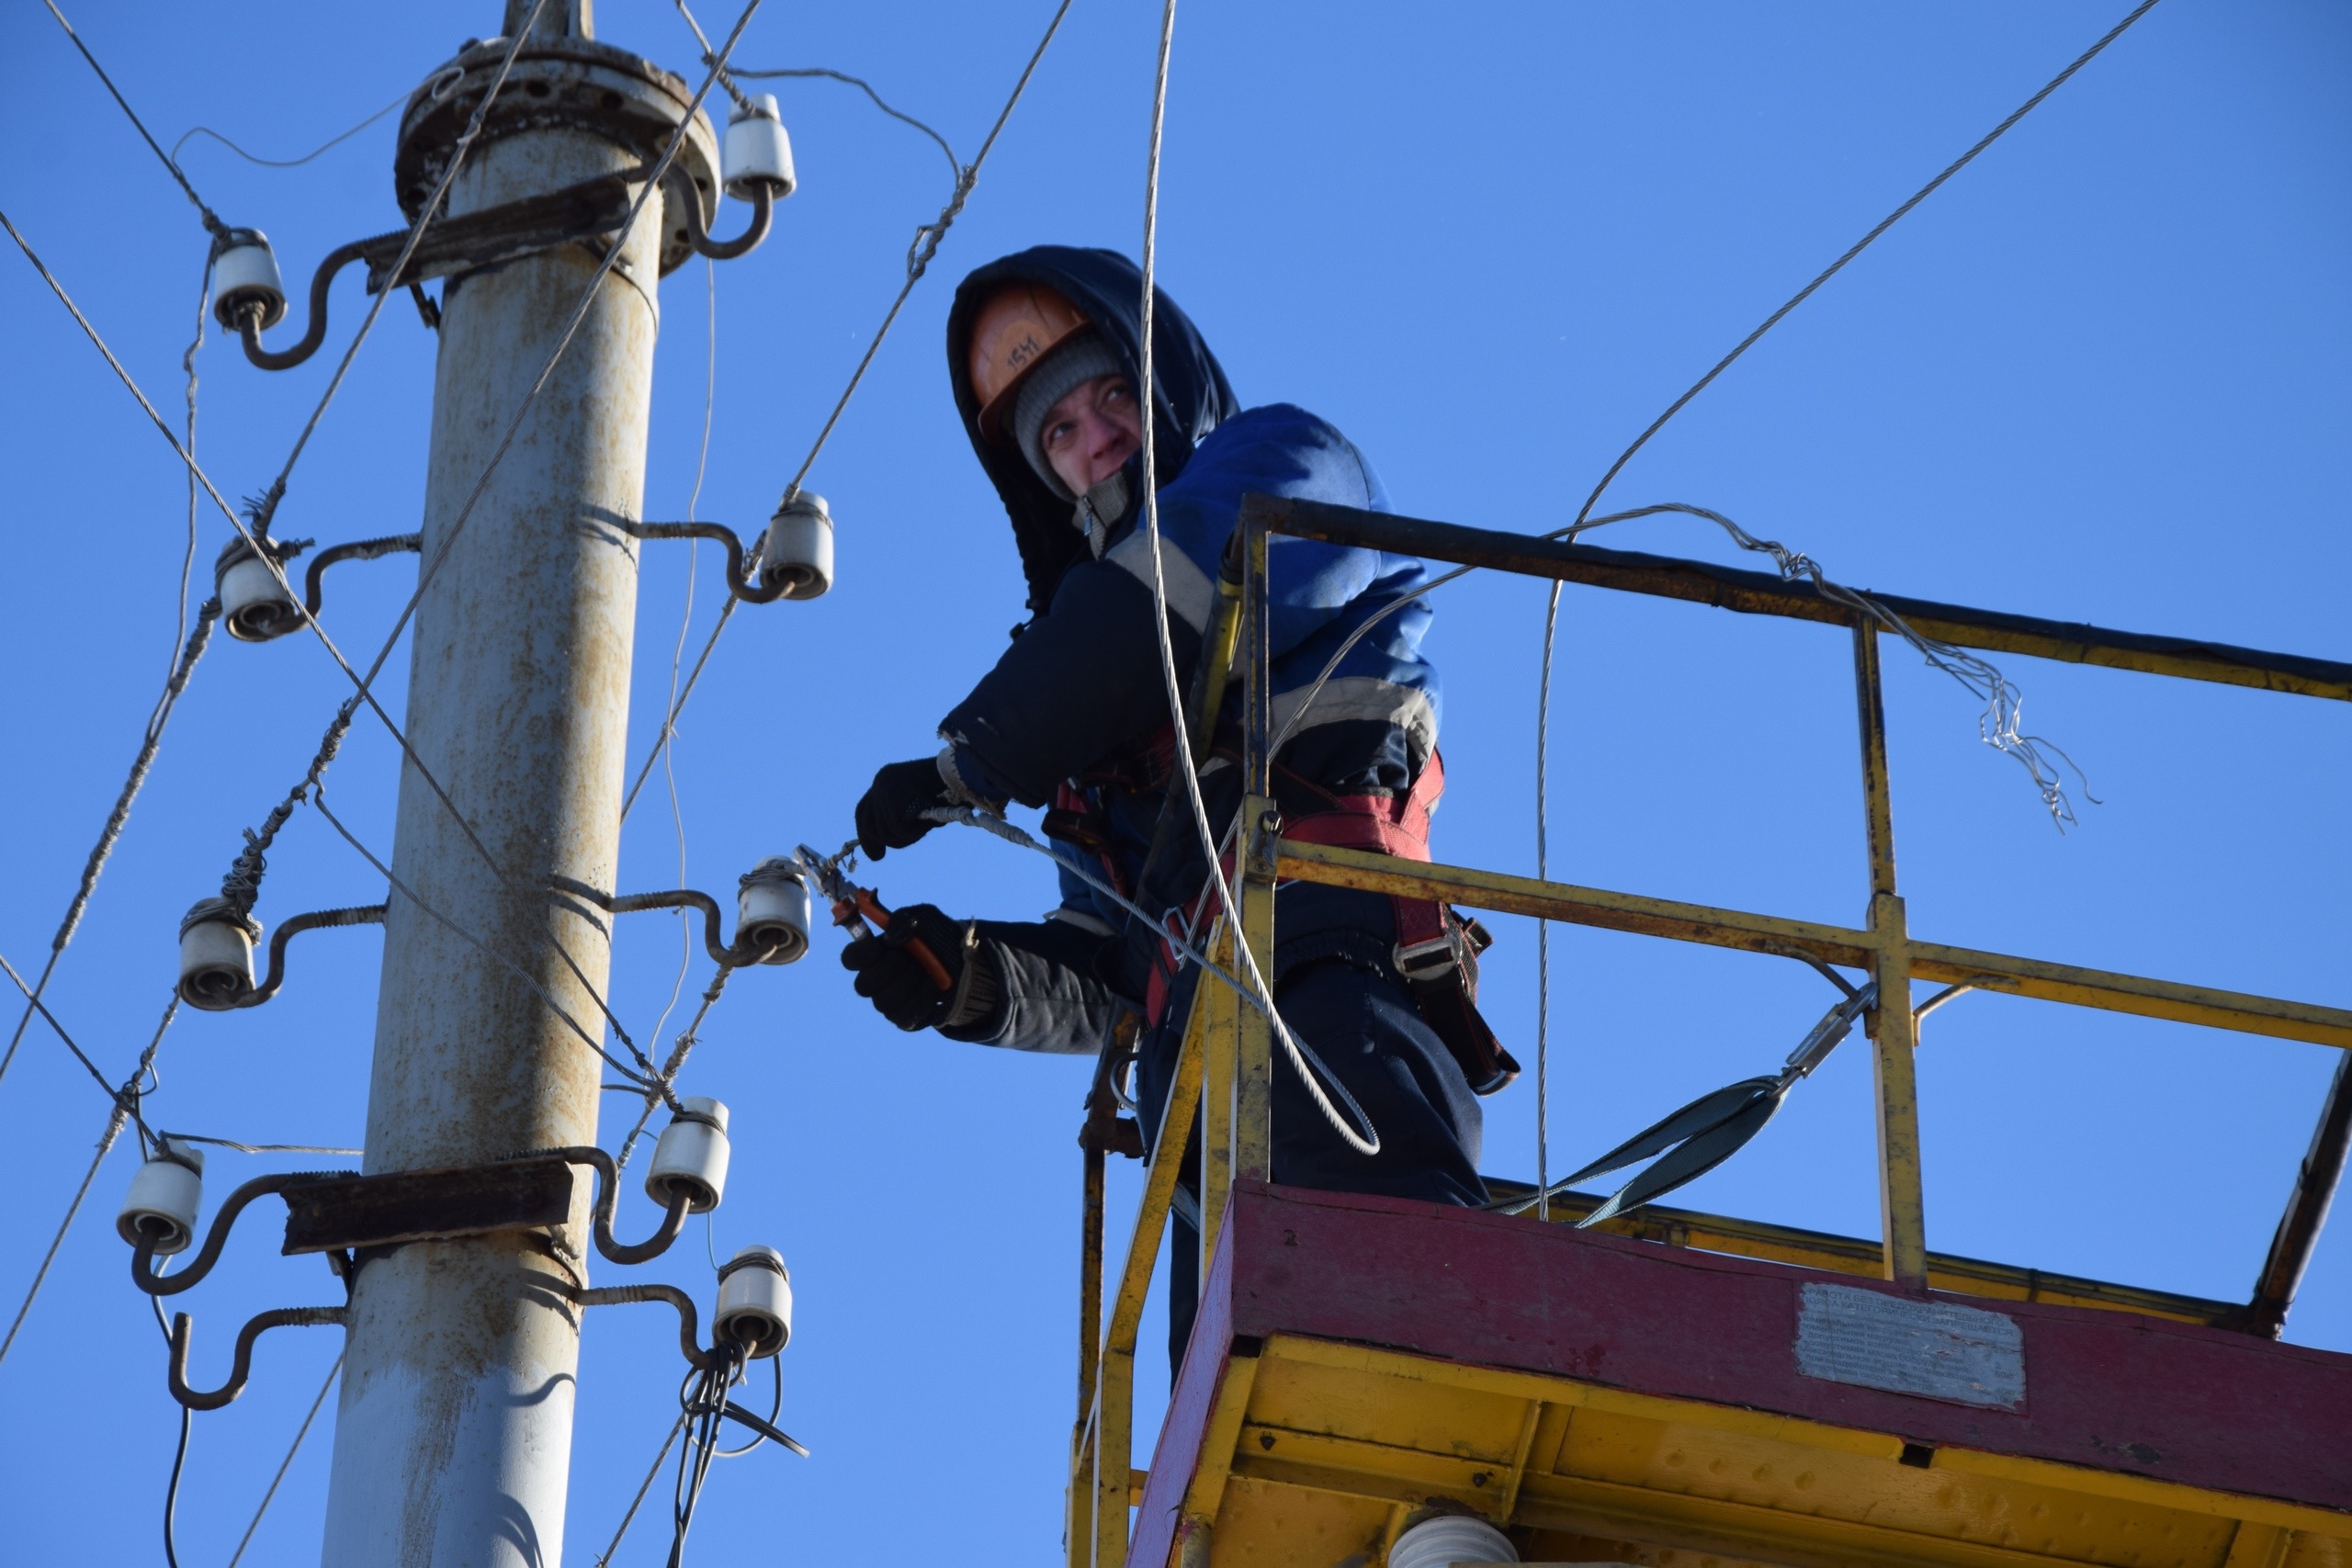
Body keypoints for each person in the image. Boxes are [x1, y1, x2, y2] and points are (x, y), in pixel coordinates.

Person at [842, 246, 1511, 1374]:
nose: (1094, 436)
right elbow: (1111, 963)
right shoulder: (1083, 712)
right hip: (1188, 1078)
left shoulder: (1289, 462)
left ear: (1161, 377)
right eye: (1055, 430)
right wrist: (966, 976)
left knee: (1386, 1323)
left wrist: (972, 758)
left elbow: (1174, 594)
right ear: (1038, 475)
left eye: (1108, 392)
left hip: (1328, 962)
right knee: (1233, 1396)